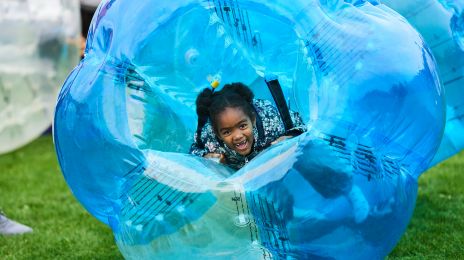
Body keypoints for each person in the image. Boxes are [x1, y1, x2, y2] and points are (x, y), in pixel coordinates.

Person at [189, 82, 306, 170]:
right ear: (217, 133)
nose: (237, 136)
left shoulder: (271, 121)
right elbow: (193, 151)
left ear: (253, 120)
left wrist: (290, 137)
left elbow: (302, 124)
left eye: (242, 126)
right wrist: (206, 156)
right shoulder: (210, 138)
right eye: (227, 132)